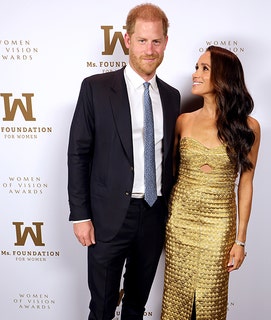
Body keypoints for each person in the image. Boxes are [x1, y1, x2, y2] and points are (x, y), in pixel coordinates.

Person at [67, 4, 180, 320]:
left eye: (156, 41)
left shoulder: (171, 97)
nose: (149, 49)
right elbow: (78, 153)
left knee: (135, 307)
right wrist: (80, 215)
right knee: (102, 307)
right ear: (127, 41)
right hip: (107, 217)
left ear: (166, 43)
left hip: (154, 215)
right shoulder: (96, 88)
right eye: (142, 41)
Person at [161, 45, 261, 320]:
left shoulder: (248, 127)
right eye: (196, 67)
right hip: (180, 222)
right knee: (175, 301)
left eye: (204, 69)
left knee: (210, 303)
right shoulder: (182, 121)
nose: (195, 74)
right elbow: (169, 175)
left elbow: (246, 183)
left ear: (223, 78)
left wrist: (240, 241)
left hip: (219, 224)